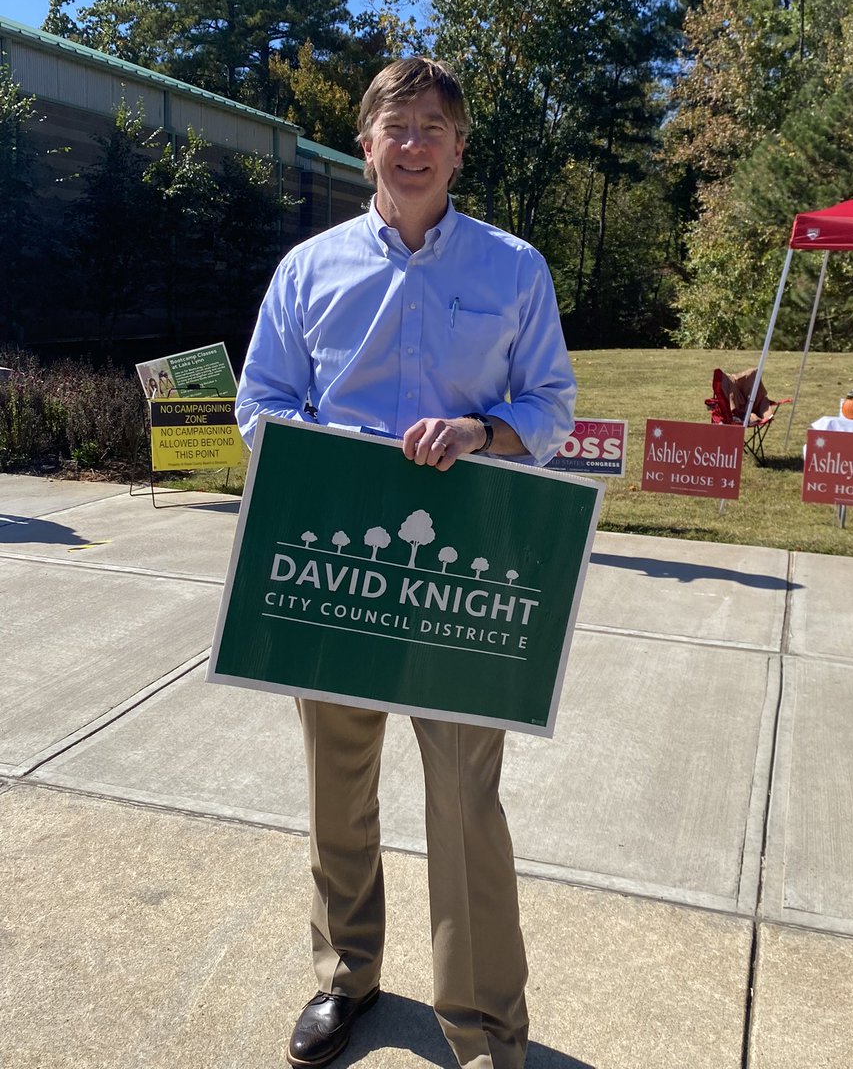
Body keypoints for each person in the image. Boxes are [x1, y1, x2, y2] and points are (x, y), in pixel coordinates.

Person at [235, 56, 576, 1069]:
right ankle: (347, 974)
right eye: (397, 126)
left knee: (466, 805)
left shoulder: (513, 269)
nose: (415, 144)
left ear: (460, 148)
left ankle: (482, 1025)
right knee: (336, 787)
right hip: (337, 564)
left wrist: (479, 432)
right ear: (367, 143)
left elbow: (551, 408)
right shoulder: (309, 270)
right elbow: (262, 403)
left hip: (462, 577)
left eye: (435, 127)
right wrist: (323, 461)